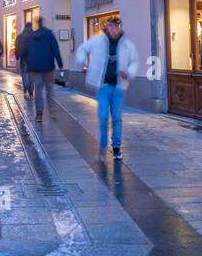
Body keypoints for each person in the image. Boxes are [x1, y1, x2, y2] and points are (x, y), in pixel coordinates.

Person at [74, 16, 138, 161]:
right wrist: (82, 60)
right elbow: (83, 49)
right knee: (103, 117)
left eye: (114, 27)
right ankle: (102, 147)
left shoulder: (127, 45)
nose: (111, 29)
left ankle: (116, 148)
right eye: (109, 27)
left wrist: (129, 72)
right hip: (103, 87)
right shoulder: (98, 41)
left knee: (116, 118)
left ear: (119, 28)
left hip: (119, 88)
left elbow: (134, 62)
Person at [23, 16, 62, 119]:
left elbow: (25, 51)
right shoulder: (49, 35)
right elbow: (56, 50)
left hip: (35, 68)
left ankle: (39, 113)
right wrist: (60, 64)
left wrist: (28, 63)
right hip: (48, 67)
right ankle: (52, 112)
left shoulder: (31, 37)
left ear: (36, 24)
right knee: (50, 89)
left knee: (38, 90)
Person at [17, 21, 35, 96]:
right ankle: (31, 90)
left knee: (24, 73)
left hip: (23, 58)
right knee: (32, 75)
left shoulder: (20, 36)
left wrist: (17, 56)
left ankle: (25, 85)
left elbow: (17, 46)